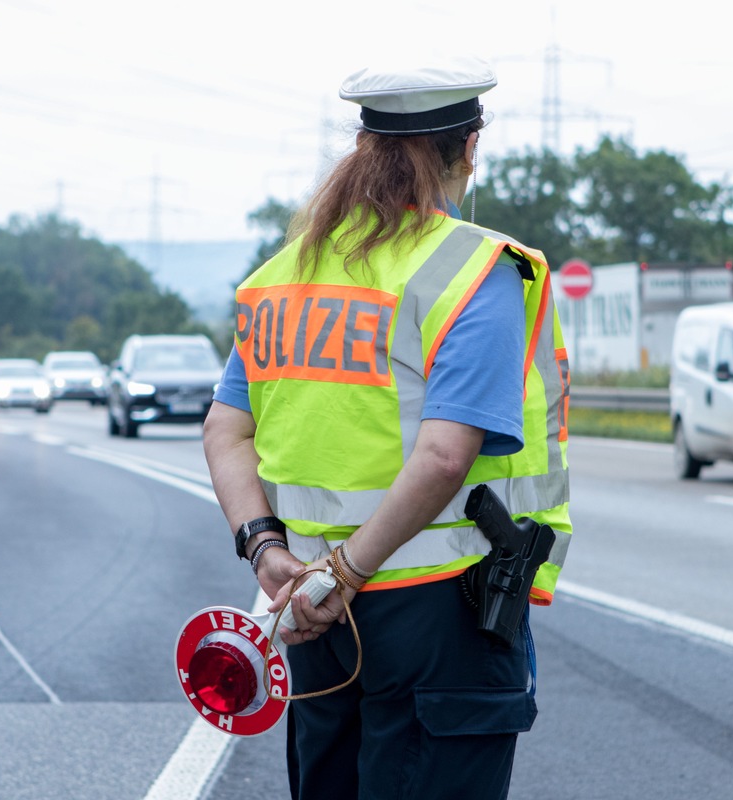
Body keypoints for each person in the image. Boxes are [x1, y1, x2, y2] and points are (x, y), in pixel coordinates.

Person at [202, 55, 572, 800]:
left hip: (312, 609)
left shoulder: (284, 277)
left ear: (364, 151)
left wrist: (265, 547)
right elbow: (443, 456)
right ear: (469, 149)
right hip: (437, 613)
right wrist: (349, 572)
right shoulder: (475, 270)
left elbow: (224, 430)